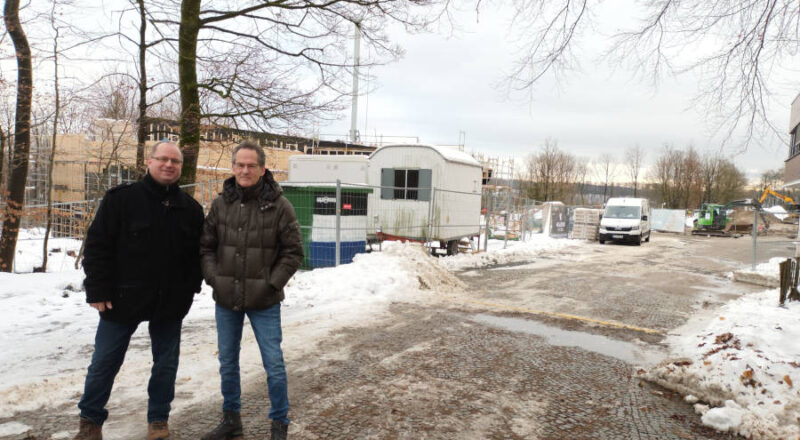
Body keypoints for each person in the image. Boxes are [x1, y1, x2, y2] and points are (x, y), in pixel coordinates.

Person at [74, 141, 204, 440]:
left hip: (170, 302)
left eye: (175, 161)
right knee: (104, 362)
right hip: (121, 299)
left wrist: (190, 289)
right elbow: (98, 246)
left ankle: (158, 420)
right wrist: (96, 288)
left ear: (180, 167)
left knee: (166, 364)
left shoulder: (190, 209)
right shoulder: (122, 200)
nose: (169, 165)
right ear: (149, 161)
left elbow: (198, 255)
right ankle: (90, 422)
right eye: (163, 159)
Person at [199, 141, 303, 440]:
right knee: (228, 361)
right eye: (240, 165)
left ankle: (279, 423)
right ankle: (231, 420)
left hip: (265, 301)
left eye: (251, 165)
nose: (245, 170)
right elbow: (206, 246)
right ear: (233, 167)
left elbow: (293, 252)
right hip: (226, 297)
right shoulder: (221, 204)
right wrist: (214, 278)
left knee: (273, 363)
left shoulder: (279, 205)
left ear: (262, 169)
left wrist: (272, 284)